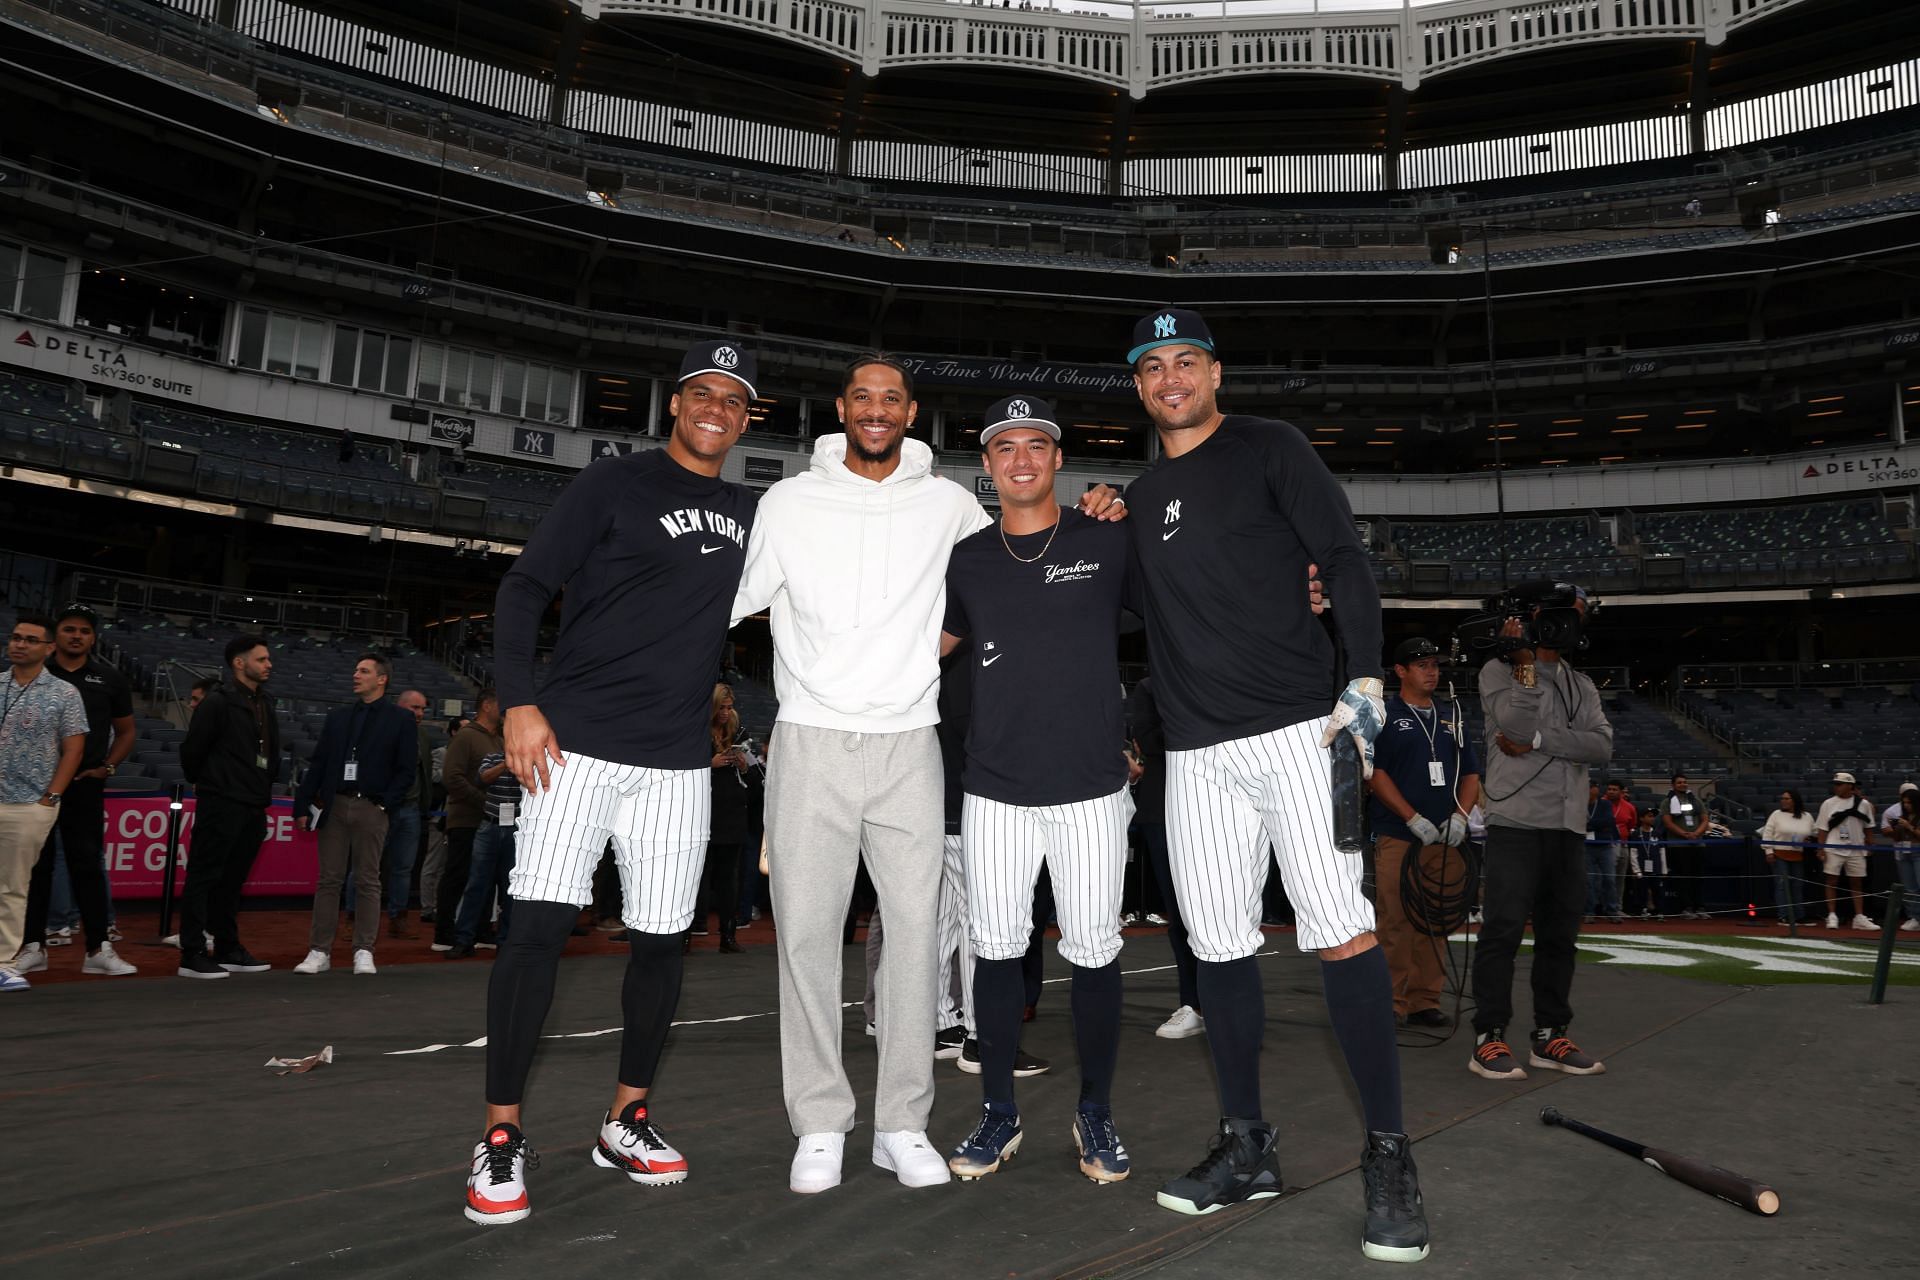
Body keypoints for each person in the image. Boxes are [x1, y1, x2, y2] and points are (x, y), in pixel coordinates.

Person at [730, 355, 1124, 1197]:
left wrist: (1102, 508)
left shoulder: (950, 507)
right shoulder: (786, 502)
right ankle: (820, 1124)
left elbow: (1019, 562)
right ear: (841, 409)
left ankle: (902, 1121)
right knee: (805, 937)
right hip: (809, 737)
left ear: (912, 413)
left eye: (893, 399)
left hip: (911, 739)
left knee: (917, 937)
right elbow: (720, 601)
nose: (877, 411)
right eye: (862, 398)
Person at [1117, 308, 1426, 1263]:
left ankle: (1389, 1154)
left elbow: (1343, 558)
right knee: (1216, 952)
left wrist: (1365, 676)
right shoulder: (1137, 496)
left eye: (1186, 362)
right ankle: (1247, 1143)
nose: (1171, 378)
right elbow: (1127, 609)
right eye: (1152, 366)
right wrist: (1095, 512)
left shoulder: (1270, 446)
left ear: (1216, 373)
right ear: (1138, 386)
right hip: (1197, 753)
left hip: (1300, 730)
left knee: (1342, 935)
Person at [468, 339, 761, 1226]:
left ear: (748, 419)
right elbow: (523, 590)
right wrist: (518, 703)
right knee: (535, 935)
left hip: (675, 761)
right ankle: (501, 1134)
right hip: (576, 748)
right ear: (675, 403)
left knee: (664, 944)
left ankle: (625, 1115)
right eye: (702, 393)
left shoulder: (757, 512)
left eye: (736, 400)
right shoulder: (611, 483)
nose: (717, 407)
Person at [937, 396, 1136, 1184]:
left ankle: (1095, 1113)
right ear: (986, 467)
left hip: (1089, 788)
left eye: (1035, 446)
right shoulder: (968, 560)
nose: (1020, 459)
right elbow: (920, 650)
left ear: (1058, 460)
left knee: (1094, 952)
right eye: (1004, 448)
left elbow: (1188, 603)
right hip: (994, 789)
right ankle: (998, 1112)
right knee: (996, 949)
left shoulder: (1107, 540)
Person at [1470, 587, 1613, 1087]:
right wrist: (1525, 662)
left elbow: (1601, 745)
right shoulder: (1498, 671)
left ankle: (1551, 1033)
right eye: (1557, 617)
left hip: (1568, 825)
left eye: (1574, 619)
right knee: (1502, 931)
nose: (1565, 627)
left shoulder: (1583, 684)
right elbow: (1512, 720)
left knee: (1560, 936)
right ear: (1534, 618)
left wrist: (1537, 743)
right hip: (1515, 823)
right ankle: (1489, 1035)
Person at [13, 604, 138, 979]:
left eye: (84, 630)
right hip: (34, 786)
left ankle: (98, 948)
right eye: (69, 629)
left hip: (84, 785)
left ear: (93, 637)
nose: (76, 636)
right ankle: (32, 946)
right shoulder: (35, 673)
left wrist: (108, 767)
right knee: (36, 866)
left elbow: (127, 730)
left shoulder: (110, 679)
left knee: (88, 865)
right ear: (56, 638)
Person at [1365, 637, 1480, 1030]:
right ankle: (1391, 1001)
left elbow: (1470, 774)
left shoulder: (1453, 717)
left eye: (1435, 665)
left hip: (1447, 837)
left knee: (1438, 916)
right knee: (1395, 920)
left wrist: (1462, 817)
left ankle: (1423, 1000)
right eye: (1423, 665)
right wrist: (1412, 817)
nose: (1432, 672)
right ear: (1400, 671)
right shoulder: (1383, 714)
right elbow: (1375, 773)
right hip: (1399, 832)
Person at [291, 653, 418, 976]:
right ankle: (319, 950)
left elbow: (406, 770)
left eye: (363, 671)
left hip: (372, 807)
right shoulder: (338, 717)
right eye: (355, 670)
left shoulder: (400, 720)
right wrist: (303, 803)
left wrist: (385, 804)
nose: (355, 675)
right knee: (328, 880)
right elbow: (318, 762)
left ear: (381, 679)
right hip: (335, 805)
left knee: (367, 880)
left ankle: (364, 949)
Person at [175, 634, 281, 979]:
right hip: (221, 801)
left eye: (268, 659)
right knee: (204, 877)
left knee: (232, 881)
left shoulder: (266, 702)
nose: (268, 664)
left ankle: (227, 948)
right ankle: (192, 953)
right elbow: (192, 751)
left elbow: (273, 753)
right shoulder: (217, 702)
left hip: (253, 803)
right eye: (262, 659)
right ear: (240, 663)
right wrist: (211, 784)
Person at [0, 615, 89, 993]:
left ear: (48, 648)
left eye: (30, 640)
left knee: (11, 886)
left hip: (28, 804)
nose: (20, 644)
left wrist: (50, 796)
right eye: (16, 638)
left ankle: (2, 962)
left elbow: (74, 748)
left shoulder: (64, 693)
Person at [1126, 676, 1202, 1039]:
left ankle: (1225, 1000)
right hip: (1163, 810)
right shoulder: (1151, 686)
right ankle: (1193, 1003)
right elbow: (1151, 742)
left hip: (1219, 807)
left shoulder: (1217, 672)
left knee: (1227, 910)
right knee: (1182, 915)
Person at [435, 698, 500, 949]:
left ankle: (480, 930)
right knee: (458, 875)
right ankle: (444, 933)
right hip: (466, 818)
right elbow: (452, 778)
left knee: (486, 879)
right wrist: (484, 802)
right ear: (487, 704)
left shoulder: (498, 738)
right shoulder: (466, 736)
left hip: (490, 821)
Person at [451, 744, 519, 957]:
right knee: (476, 886)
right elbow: (482, 779)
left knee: (511, 889)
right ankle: (463, 940)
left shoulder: (530, 762)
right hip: (489, 826)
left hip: (516, 829)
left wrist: (518, 765)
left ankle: (505, 942)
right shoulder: (492, 758)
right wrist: (506, 764)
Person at [702, 683, 749, 954]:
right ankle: (686, 936)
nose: (727, 712)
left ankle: (728, 936)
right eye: (722, 707)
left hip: (731, 814)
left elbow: (752, 778)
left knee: (729, 880)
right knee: (699, 878)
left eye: (730, 707)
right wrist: (711, 764)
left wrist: (742, 764)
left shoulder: (736, 732)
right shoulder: (698, 732)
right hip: (706, 815)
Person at [382, 688, 432, 939]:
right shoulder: (382, 731)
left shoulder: (422, 736)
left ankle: (398, 917)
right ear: (400, 706)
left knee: (403, 868)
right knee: (366, 866)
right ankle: (353, 916)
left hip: (411, 810)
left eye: (423, 709)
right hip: (382, 809)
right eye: (415, 708)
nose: (420, 713)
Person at [1815, 771, 1876, 931]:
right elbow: (1822, 828)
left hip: (1856, 847)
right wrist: (1821, 848)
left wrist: (1870, 844)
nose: (1836, 787)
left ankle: (1859, 917)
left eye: (1839, 784)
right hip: (1834, 846)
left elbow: (1869, 826)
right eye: (1835, 784)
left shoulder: (1863, 804)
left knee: (1856, 882)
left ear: (1850, 786)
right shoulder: (1828, 803)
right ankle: (1832, 915)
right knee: (1831, 881)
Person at [1758, 788, 1816, 926]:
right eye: (1782, 798)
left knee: (1797, 886)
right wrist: (1768, 851)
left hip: (1798, 855)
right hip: (1779, 854)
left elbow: (1815, 832)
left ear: (1795, 801)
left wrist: (1810, 840)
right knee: (1782, 886)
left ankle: (1799, 916)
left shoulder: (1806, 816)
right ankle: (1783, 916)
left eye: (1786, 798)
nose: (1783, 801)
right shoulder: (1776, 814)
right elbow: (1767, 834)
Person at [1661, 772, 1711, 921]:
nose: (1683, 784)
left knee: (1698, 877)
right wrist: (1685, 834)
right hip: (1678, 846)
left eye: (1684, 782)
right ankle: (1686, 907)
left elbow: (1704, 819)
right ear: (1673, 785)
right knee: (1683, 878)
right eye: (1679, 782)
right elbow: (1668, 822)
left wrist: (1696, 833)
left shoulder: (1695, 800)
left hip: (1697, 844)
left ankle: (1700, 907)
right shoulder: (1667, 802)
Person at [1583, 781, 1629, 922]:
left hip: (1604, 846)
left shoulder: (1605, 804)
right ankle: (1589, 912)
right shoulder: (1580, 804)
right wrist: (1594, 825)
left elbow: (1608, 821)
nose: (1591, 790)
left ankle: (1612, 911)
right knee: (1589, 881)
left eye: (1593, 788)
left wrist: (1588, 825)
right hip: (1587, 846)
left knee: (1609, 879)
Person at [1886, 783, 1920, 932]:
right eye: (1904, 802)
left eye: (1909, 803)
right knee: (1909, 887)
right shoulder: (1902, 816)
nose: (1906, 806)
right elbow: (1896, 837)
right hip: (1904, 852)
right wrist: (1896, 828)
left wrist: (1909, 826)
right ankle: (1914, 917)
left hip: (1918, 851)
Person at [1626, 808, 1665, 919]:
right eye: (1649, 816)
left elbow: (1662, 852)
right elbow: (1633, 853)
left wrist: (1663, 870)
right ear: (1642, 818)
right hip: (1642, 867)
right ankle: (1643, 909)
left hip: (1656, 868)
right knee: (1641, 890)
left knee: (1657, 890)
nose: (1652, 818)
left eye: (1653, 816)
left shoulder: (1657, 833)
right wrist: (1636, 870)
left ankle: (1659, 911)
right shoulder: (1636, 834)